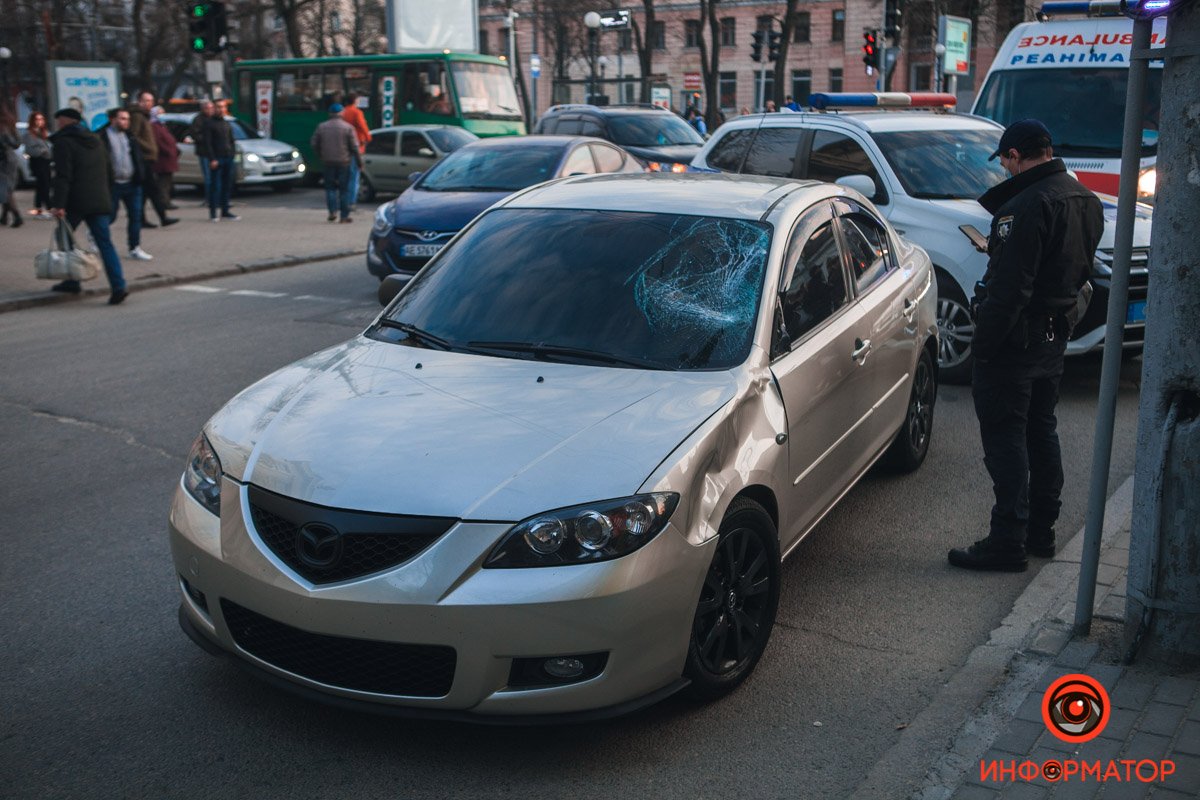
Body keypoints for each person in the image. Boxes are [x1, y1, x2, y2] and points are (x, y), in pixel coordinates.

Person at [948, 119, 1103, 572]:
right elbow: (1076, 272)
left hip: (1015, 343)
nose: (1006, 170)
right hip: (1053, 338)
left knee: (1006, 440)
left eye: (1006, 162)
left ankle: (1007, 542)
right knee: (1041, 433)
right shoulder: (1085, 199)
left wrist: (985, 345)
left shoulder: (1025, 206)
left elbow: (1010, 289)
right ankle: (1041, 532)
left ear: (1014, 156)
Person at [47, 107, 129, 305]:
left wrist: (58, 204)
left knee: (64, 237)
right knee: (105, 243)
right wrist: (107, 196)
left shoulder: (63, 143)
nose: (58, 124)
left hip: (75, 202)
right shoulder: (96, 140)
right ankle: (119, 286)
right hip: (99, 200)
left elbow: (63, 176)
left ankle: (72, 280)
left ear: (66, 121)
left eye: (59, 120)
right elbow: (108, 171)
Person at [99, 108, 153, 260]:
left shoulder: (130, 136)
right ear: (112, 119)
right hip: (113, 183)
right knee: (111, 215)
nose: (126, 122)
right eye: (122, 119)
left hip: (132, 183)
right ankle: (95, 237)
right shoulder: (103, 137)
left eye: (127, 119)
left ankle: (134, 247)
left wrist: (140, 174)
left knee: (135, 216)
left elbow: (136, 157)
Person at [310, 103, 362, 223]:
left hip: (328, 162)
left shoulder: (321, 127)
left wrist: (321, 155)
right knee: (344, 190)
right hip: (344, 162)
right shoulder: (348, 128)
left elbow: (314, 143)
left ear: (330, 114)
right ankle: (344, 216)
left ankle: (332, 211)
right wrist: (359, 162)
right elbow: (354, 147)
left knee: (330, 188)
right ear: (341, 113)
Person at [133, 91, 178, 227]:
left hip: (148, 159)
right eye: (146, 101)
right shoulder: (137, 116)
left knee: (149, 192)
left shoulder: (145, 117)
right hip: (143, 159)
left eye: (151, 101)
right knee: (151, 190)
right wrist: (148, 147)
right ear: (140, 101)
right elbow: (134, 136)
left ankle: (156, 218)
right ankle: (157, 218)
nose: (149, 104)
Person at [198, 99, 238, 221]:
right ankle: (213, 213)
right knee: (216, 186)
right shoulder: (209, 123)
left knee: (227, 185)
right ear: (214, 108)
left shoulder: (226, 123)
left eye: (223, 107)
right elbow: (208, 143)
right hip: (217, 158)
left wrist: (232, 153)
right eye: (219, 107)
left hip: (228, 157)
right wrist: (212, 159)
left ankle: (225, 211)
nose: (221, 109)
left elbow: (231, 140)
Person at [341, 91, 372, 209]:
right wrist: (368, 137)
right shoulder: (356, 112)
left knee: (345, 175)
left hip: (343, 148)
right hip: (356, 146)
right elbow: (363, 127)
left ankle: (344, 200)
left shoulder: (343, 112)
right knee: (354, 176)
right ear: (355, 101)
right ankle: (351, 202)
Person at [149, 105, 181, 217]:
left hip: (168, 159)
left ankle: (166, 201)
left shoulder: (162, 125)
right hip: (162, 160)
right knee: (163, 183)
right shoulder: (154, 126)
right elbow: (158, 142)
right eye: (160, 113)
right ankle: (163, 202)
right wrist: (169, 151)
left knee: (167, 182)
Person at [23, 111, 54, 218]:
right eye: (37, 119)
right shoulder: (29, 134)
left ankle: (39, 208)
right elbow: (29, 150)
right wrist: (41, 151)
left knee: (43, 186)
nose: (40, 121)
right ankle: (49, 208)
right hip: (37, 161)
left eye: (41, 119)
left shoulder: (44, 132)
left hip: (46, 162)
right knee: (43, 184)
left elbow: (50, 146)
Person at [0, 106, 22, 228]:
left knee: (5, 189)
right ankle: (4, 216)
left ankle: (16, 216)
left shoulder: (3, 128)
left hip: (4, 161)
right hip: (10, 159)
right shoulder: (10, 124)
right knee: (7, 188)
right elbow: (17, 143)